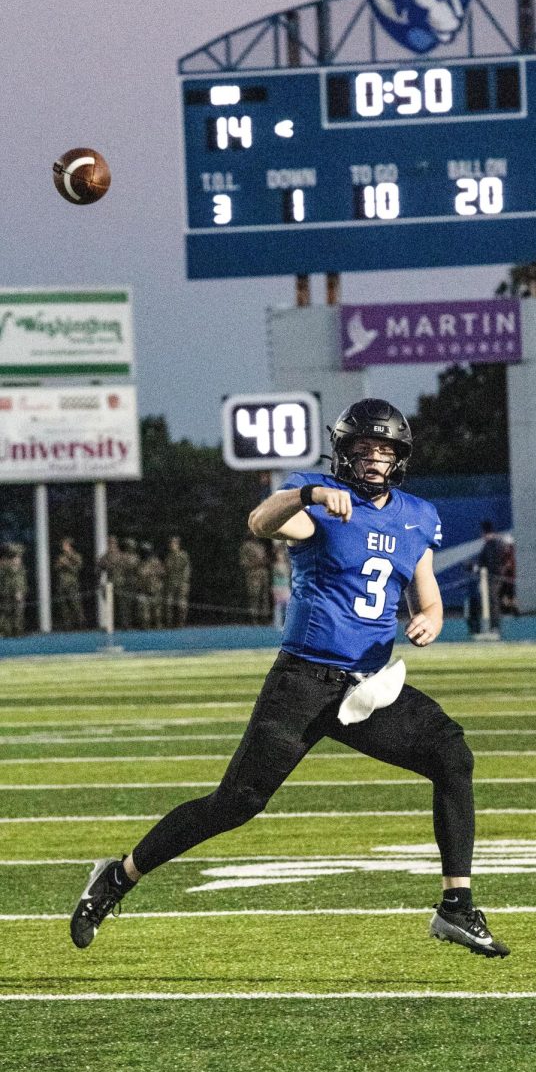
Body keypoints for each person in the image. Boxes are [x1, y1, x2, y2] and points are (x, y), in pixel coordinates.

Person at [69, 398, 509, 960]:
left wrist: (430, 619)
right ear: (343, 451)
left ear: (400, 458)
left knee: (452, 756)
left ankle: (455, 905)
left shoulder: (417, 515)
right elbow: (260, 522)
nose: (375, 460)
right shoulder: (319, 499)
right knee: (237, 803)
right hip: (303, 682)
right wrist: (307, 494)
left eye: (386, 450)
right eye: (364, 449)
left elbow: (427, 596)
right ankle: (117, 877)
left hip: (368, 687)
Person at [478, 520, 507, 636]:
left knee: (493, 602)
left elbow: (488, 561)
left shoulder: (492, 544)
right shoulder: (496, 543)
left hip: (494, 577)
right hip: (495, 576)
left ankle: (494, 627)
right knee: (491, 602)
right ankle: (492, 626)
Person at [239, 531, 270, 623]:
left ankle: (265, 617)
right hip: (253, 574)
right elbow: (243, 562)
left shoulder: (261, 546)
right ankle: (254, 618)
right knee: (254, 596)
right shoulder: (246, 546)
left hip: (263, 572)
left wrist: (266, 561)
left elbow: (265, 559)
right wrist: (255, 563)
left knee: (265, 596)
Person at [54, 537, 85, 630]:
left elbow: (77, 569)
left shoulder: (76, 556)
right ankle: (67, 626)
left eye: (65, 545)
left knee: (76, 605)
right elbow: (56, 568)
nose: (63, 547)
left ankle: (81, 625)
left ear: (69, 545)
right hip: (62, 584)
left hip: (72, 584)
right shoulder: (61, 557)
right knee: (64, 607)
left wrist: (67, 564)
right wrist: (60, 564)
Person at [96, 535, 124, 628]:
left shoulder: (122, 556)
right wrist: (99, 583)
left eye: (113, 543)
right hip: (110, 584)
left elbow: (128, 570)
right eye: (110, 543)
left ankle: (123, 624)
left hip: (121, 583)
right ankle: (112, 625)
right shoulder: (105, 557)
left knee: (122, 606)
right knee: (110, 606)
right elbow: (98, 570)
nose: (111, 545)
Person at [135, 542, 165, 630]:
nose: (145, 553)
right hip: (143, 591)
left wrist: (152, 572)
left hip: (155, 590)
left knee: (157, 614)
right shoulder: (139, 562)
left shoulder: (156, 561)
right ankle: (145, 630)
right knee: (144, 616)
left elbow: (163, 572)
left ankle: (159, 630)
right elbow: (137, 576)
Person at [164, 536, 191, 628]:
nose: (172, 545)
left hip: (181, 582)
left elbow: (187, 569)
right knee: (169, 603)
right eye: (171, 543)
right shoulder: (168, 557)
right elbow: (166, 571)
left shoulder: (183, 555)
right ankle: (169, 623)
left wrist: (185, 582)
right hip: (171, 582)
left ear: (178, 544)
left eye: (174, 543)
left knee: (182, 605)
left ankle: (181, 623)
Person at [116, 538, 140, 630]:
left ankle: (133, 623)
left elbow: (137, 569)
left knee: (133, 604)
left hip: (133, 583)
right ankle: (125, 624)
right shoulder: (122, 557)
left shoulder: (135, 557)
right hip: (124, 583)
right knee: (124, 606)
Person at [271, 540, 291, 630]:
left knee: (287, 606)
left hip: (285, 588)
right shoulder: (275, 566)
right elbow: (282, 573)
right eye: (279, 555)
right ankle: (277, 624)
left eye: (282, 556)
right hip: (278, 588)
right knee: (278, 607)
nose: (281, 557)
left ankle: (287, 623)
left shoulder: (287, 565)